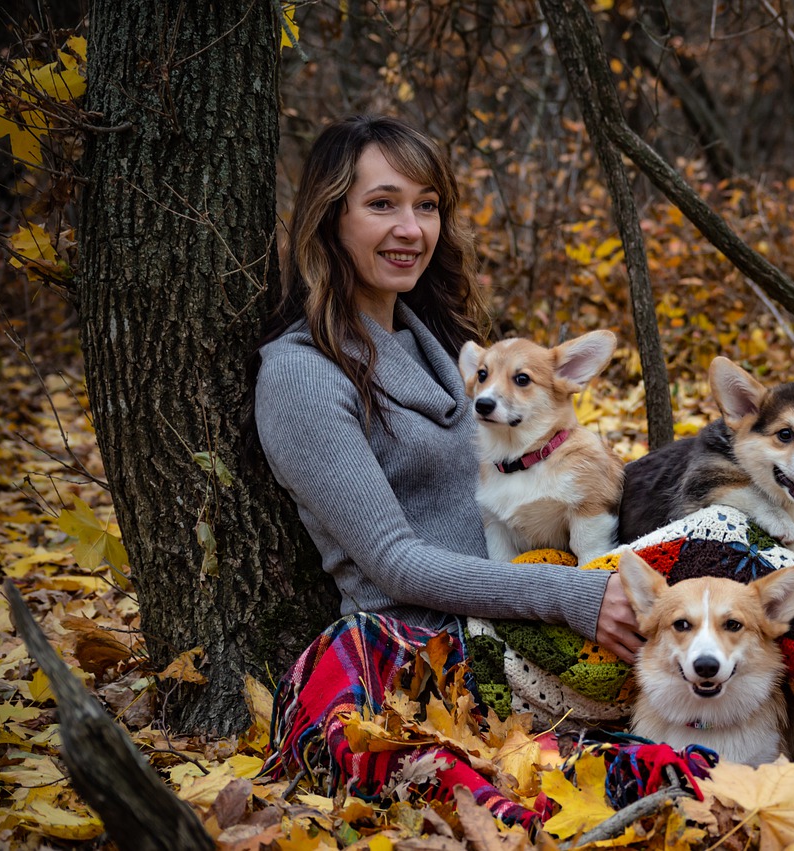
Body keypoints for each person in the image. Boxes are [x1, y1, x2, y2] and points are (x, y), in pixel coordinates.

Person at [250, 115, 641, 825]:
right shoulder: (302, 375)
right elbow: (395, 564)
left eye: (426, 206)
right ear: (330, 216)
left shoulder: (446, 347)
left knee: (730, 519)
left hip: (527, 602)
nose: (411, 228)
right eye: (382, 203)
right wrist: (575, 596)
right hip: (444, 655)